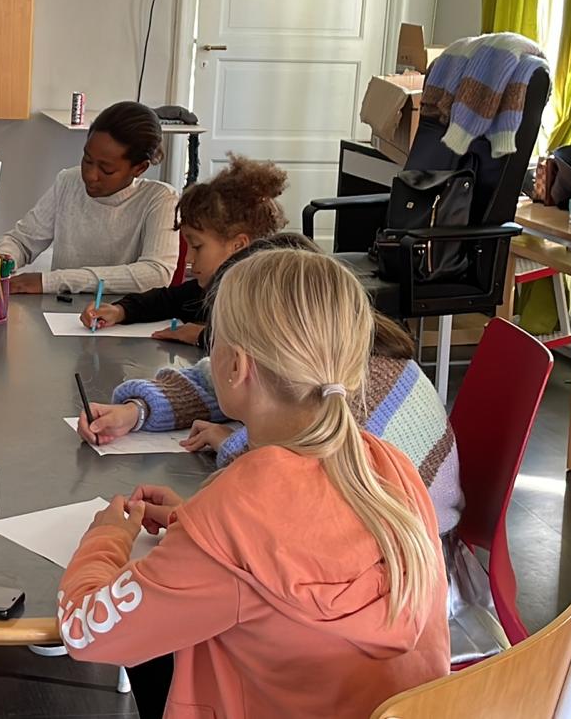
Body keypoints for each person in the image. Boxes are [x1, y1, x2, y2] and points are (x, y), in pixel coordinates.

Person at [59, 251, 451, 719]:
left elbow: (84, 632)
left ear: (235, 366)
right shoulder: (390, 467)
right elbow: (289, 551)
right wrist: (192, 524)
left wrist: (106, 537)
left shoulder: (234, 516)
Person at [80, 310, 462, 537]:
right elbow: (213, 380)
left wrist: (232, 445)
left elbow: (271, 498)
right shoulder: (325, 356)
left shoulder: (349, 394)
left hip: (404, 574)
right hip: (369, 560)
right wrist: (138, 410)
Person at [82, 156, 288, 345]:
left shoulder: (273, 294)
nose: (188, 258)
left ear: (238, 245)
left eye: (197, 247)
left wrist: (202, 336)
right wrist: (120, 310)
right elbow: (168, 300)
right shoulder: (209, 287)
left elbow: (265, 344)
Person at [0, 102, 179, 296]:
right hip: (60, 309)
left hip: (121, 312)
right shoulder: (69, 181)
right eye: (87, 160)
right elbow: (22, 241)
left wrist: (51, 281)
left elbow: (157, 274)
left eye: (106, 170)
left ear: (140, 168)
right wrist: (4, 257)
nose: (90, 175)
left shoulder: (160, 199)